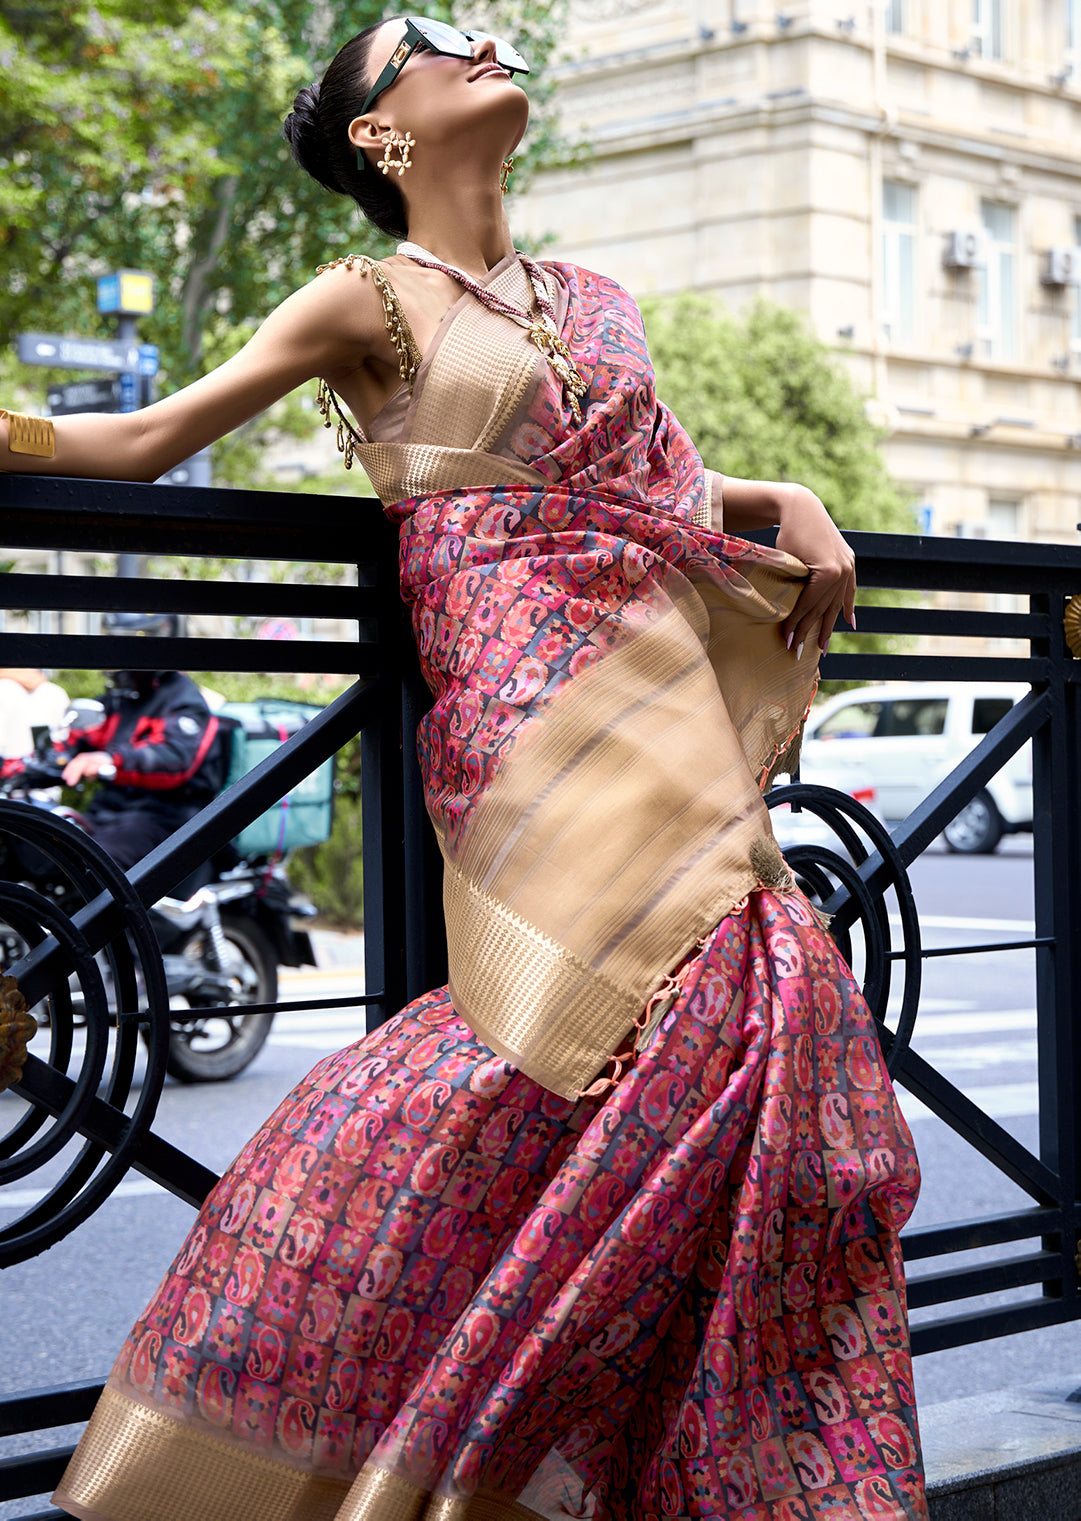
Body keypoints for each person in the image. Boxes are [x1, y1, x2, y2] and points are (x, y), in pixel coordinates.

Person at [0, 15, 924, 1518]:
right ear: (381, 132)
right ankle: (338, 1387)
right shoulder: (360, 299)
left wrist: (793, 490)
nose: (482, 36)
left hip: (663, 680)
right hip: (523, 710)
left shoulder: (598, 300)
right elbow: (153, 437)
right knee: (562, 1043)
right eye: (432, 41)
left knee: (761, 1018)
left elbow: (668, 486)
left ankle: (659, 1444)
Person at [57, 614, 225, 872]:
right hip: (111, 810)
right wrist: (41, 759)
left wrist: (110, 760)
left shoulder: (185, 703)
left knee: (90, 866)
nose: (118, 661)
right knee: (47, 847)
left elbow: (174, 758)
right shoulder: (122, 698)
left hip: (165, 817)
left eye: (128, 648)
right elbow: (82, 738)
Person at [0, 667, 69, 761]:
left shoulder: (3, 688)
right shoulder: (55, 691)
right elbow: (63, 736)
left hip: (9, 765)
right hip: (47, 765)